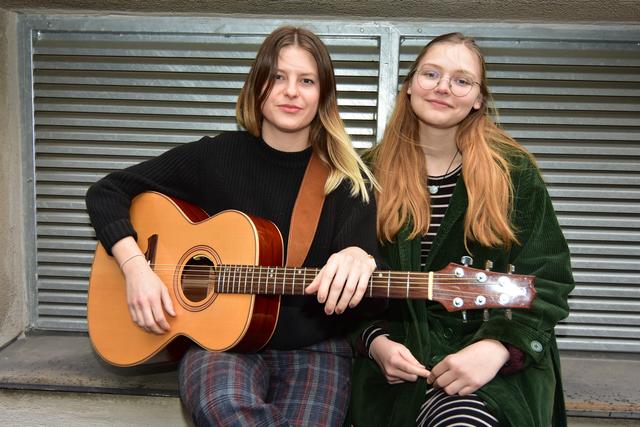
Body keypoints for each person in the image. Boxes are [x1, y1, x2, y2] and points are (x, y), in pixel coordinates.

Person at [85, 26, 381, 427]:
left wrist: (356, 256)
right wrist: (136, 269)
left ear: (323, 96)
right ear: (256, 86)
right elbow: (107, 191)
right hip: (220, 346)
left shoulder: (348, 180)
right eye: (277, 76)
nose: (291, 91)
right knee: (223, 406)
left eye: (306, 80)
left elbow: (360, 255)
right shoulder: (216, 156)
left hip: (315, 349)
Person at [349, 33, 575, 427]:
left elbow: (549, 280)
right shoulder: (366, 174)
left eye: (461, 80)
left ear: (478, 99)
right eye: (431, 74)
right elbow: (341, 284)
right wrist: (375, 343)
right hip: (399, 364)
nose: (442, 88)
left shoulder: (513, 173)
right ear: (408, 87)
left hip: (491, 364)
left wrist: (498, 346)